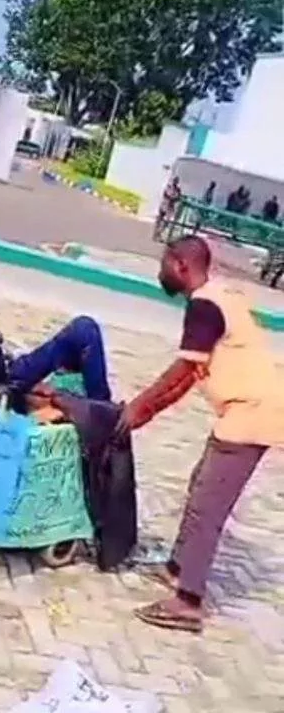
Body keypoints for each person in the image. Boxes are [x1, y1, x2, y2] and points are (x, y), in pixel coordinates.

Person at [116, 235, 283, 633]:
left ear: (180, 265)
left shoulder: (205, 306)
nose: (161, 272)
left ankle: (188, 601)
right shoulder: (217, 295)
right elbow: (192, 374)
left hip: (252, 413)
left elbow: (180, 369)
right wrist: (151, 411)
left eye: (164, 264)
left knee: (208, 506)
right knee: (199, 488)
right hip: (243, 410)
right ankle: (177, 568)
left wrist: (138, 404)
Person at [153, 176, 181, 241]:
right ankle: (156, 234)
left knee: (167, 221)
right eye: (175, 180)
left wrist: (174, 199)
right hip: (164, 204)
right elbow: (165, 194)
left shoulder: (178, 189)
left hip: (170, 206)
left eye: (177, 181)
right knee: (160, 219)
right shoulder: (168, 186)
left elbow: (179, 197)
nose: (175, 182)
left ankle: (159, 233)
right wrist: (171, 198)